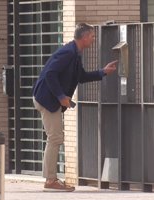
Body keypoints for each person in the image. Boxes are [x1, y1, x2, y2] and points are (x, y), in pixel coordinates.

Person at [32, 23, 118, 192]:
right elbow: (50, 74)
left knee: (55, 138)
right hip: (47, 99)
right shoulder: (68, 52)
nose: (93, 39)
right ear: (84, 37)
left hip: (51, 99)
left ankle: (51, 179)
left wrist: (103, 72)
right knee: (55, 138)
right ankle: (50, 181)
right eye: (92, 36)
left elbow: (81, 76)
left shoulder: (75, 54)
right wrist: (61, 96)